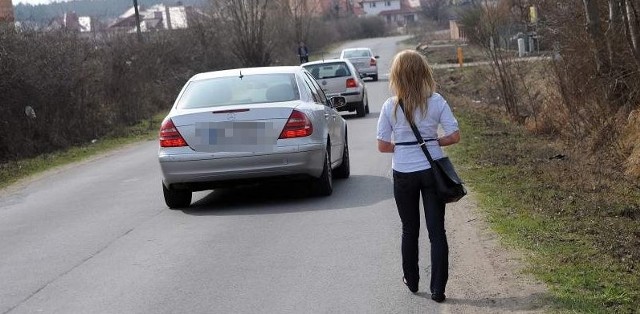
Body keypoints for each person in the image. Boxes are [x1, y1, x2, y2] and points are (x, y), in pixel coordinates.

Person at [376, 50, 460, 303]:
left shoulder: (390, 106)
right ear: (424, 72)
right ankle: (438, 289)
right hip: (431, 171)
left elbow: (382, 145)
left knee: (409, 230)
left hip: (403, 173)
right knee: (437, 232)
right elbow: (454, 135)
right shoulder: (436, 101)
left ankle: (412, 281)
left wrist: (401, 147)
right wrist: (434, 141)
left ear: (396, 75)